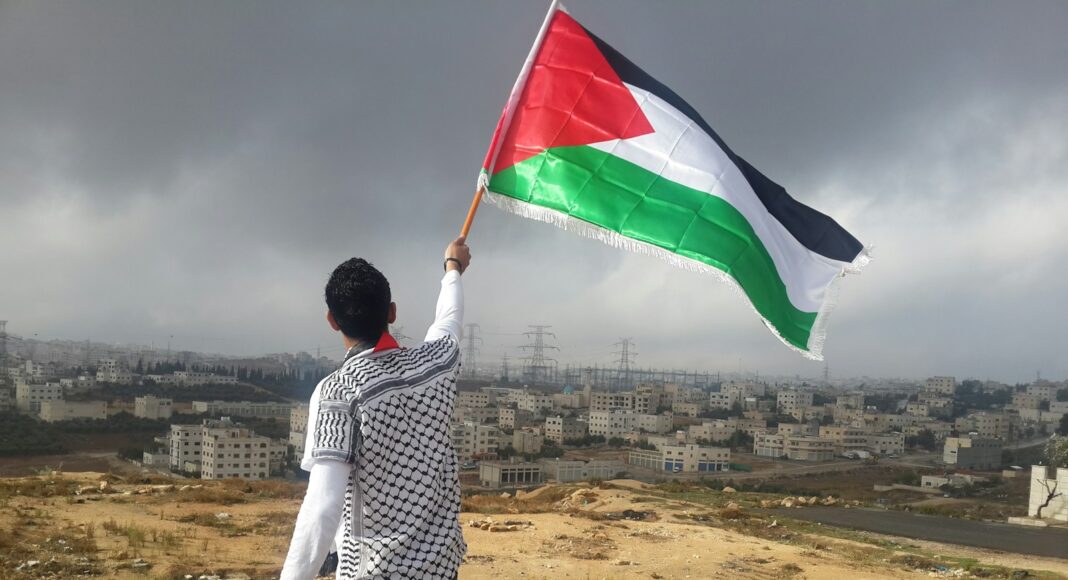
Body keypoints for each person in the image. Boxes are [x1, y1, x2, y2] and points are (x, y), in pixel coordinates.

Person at [281, 236, 471, 579]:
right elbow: (449, 320)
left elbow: (322, 508)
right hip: (441, 570)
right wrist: (452, 268)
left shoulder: (339, 391)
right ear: (392, 312)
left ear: (332, 321)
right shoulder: (435, 365)